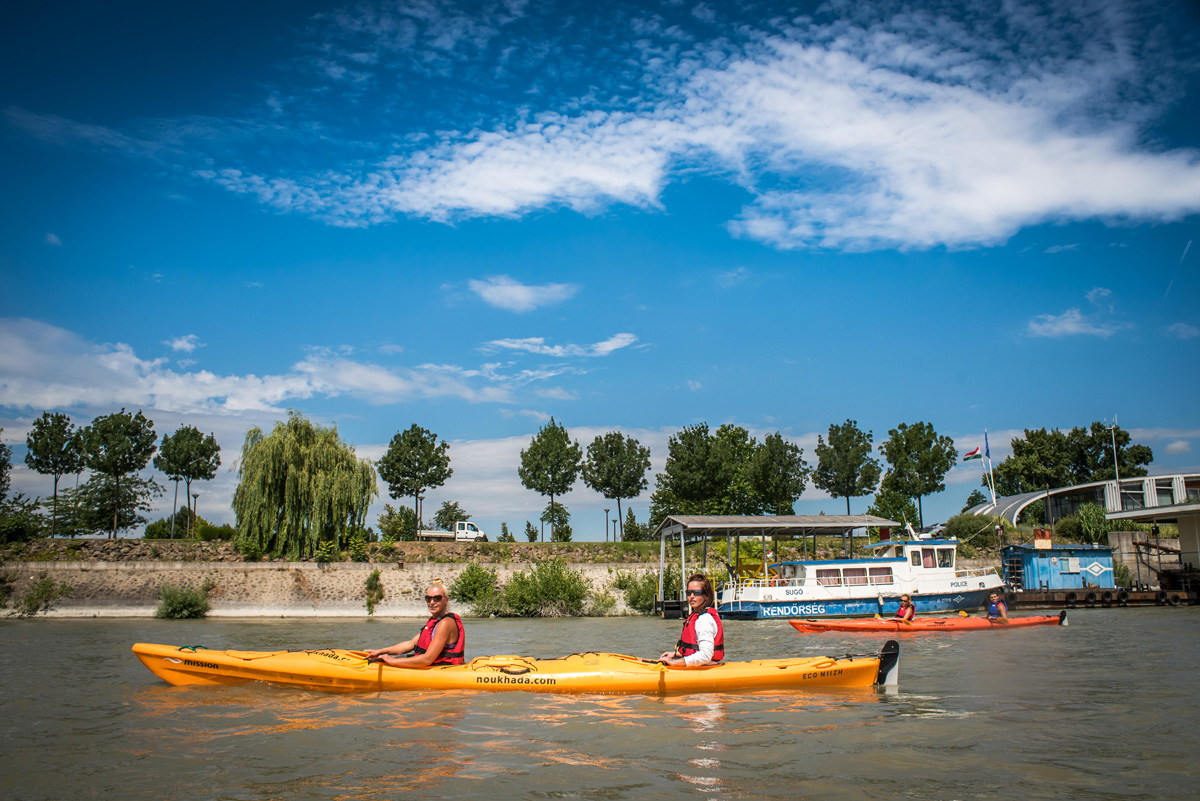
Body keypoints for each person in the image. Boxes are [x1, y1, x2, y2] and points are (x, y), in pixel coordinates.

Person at [366, 583, 465, 667]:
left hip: (440, 668)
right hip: (430, 663)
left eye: (437, 598)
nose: (432, 602)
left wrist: (393, 661)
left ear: (445, 600)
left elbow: (427, 659)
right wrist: (380, 651)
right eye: (428, 599)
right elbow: (409, 645)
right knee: (381, 658)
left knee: (388, 661)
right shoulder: (435, 622)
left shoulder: (445, 623)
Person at [660, 574, 724, 667]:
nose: (692, 596)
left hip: (705, 666)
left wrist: (677, 662)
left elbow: (706, 655)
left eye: (697, 593)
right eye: (689, 593)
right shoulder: (698, 616)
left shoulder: (704, 619)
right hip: (700, 664)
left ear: (706, 596)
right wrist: (677, 655)